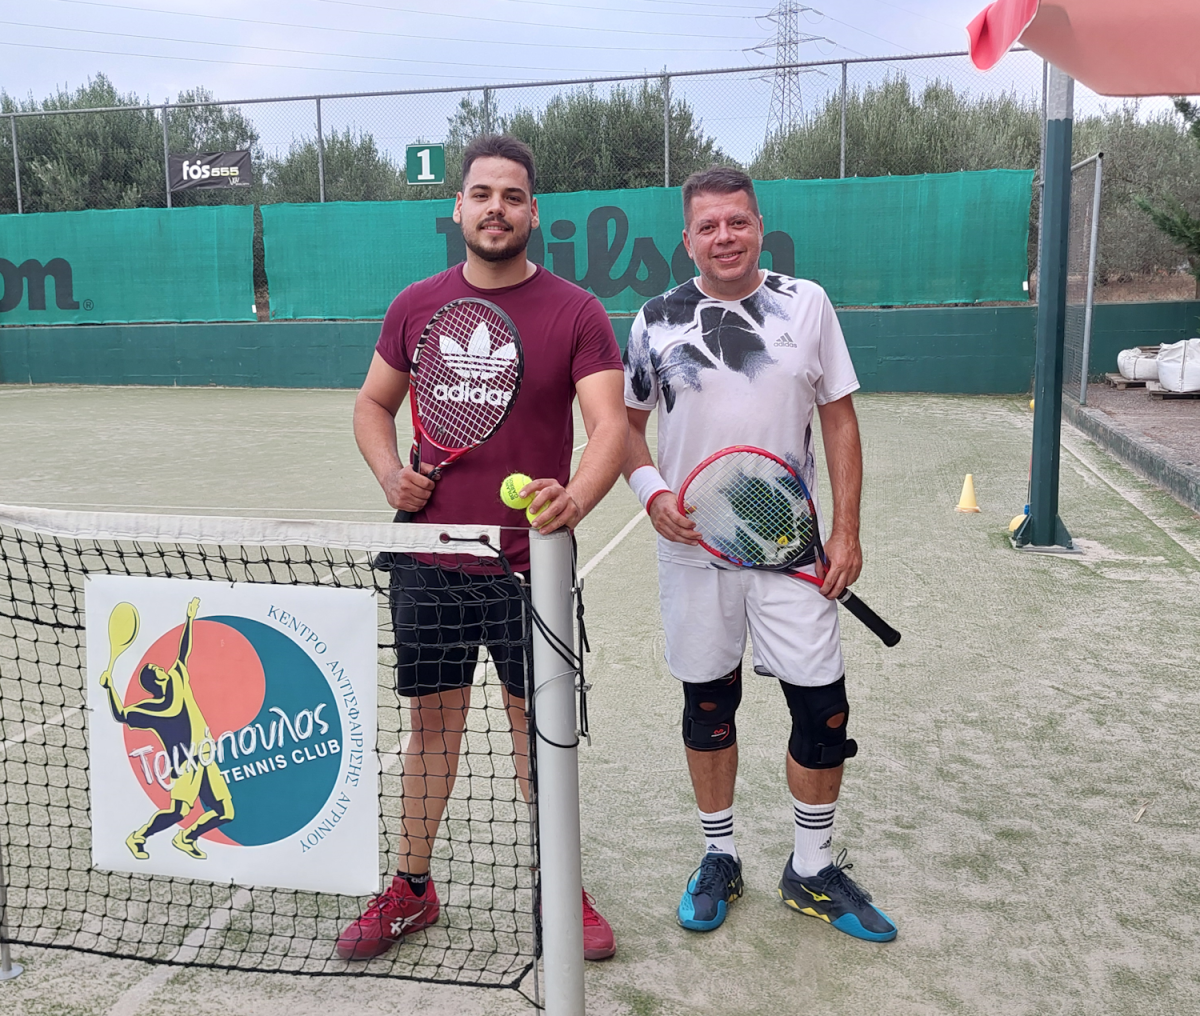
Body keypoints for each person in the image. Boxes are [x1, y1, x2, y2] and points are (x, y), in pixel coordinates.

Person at [341, 135, 628, 962]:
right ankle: (412, 889)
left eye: (512, 195)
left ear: (534, 212)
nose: (495, 208)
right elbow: (371, 405)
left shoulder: (577, 312)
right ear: (457, 207)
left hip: (528, 570)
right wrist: (389, 472)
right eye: (481, 194)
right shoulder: (415, 306)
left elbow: (609, 425)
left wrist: (576, 498)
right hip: (429, 560)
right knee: (432, 729)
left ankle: (561, 888)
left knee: (541, 732)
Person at [621, 166, 897, 942]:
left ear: (759, 227)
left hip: (792, 550)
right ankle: (721, 856)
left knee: (823, 710)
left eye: (737, 222)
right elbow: (626, 430)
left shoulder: (806, 305)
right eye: (708, 226)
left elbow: (839, 420)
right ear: (687, 239)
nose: (724, 237)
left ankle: (811, 868)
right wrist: (652, 494)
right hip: (694, 554)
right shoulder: (654, 320)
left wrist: (846, 530)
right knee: (709, 706)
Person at [100, 597, 236, 861]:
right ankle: (138, 837)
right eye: (152, 670)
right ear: (152, 682)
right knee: (179, 812)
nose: (157, 667)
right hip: (185, 764)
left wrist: (189, 618)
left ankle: (187, 837)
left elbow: (183, 652)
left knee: (226, 812)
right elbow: (120, 715)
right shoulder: (151, 710)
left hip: (205, 758)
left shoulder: (177, 679)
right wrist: (109, 688)